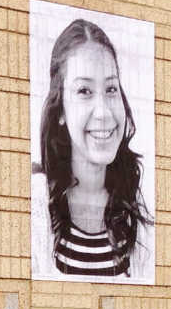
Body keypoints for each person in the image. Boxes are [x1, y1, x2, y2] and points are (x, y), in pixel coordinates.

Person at [31, 19, 152, 279]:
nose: (104, 112)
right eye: (84, 91)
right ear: (60, 108)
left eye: (111, 89)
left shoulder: (140, 213)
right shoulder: (34, 206)